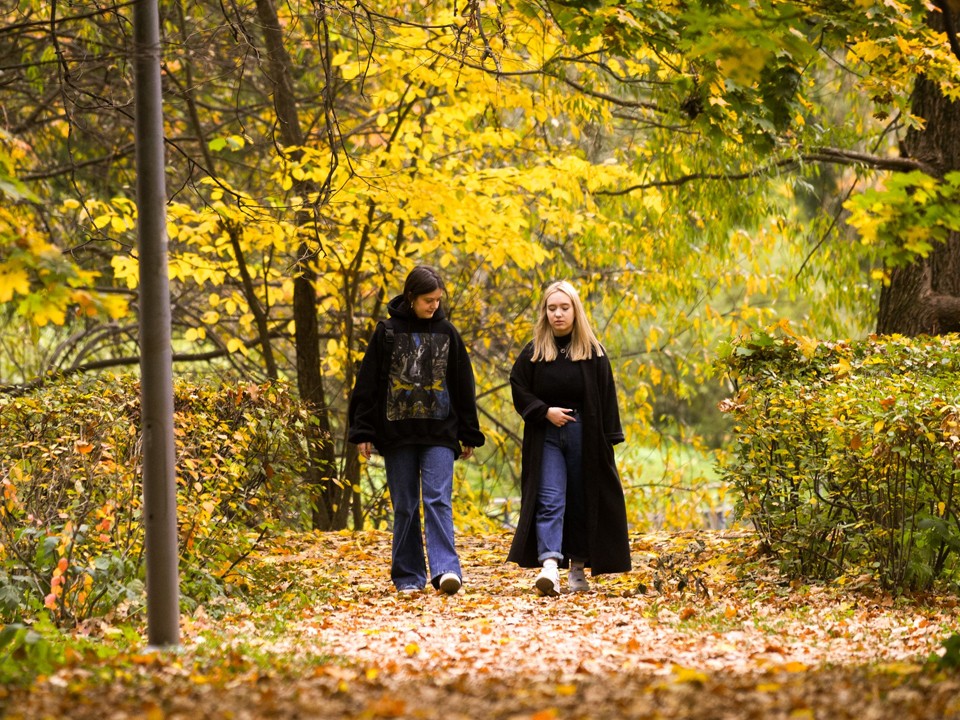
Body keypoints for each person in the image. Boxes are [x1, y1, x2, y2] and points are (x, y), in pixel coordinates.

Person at [348, 265, 485, 595]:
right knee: (406, 504)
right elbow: (367, 386)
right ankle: (408, 577)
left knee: (438, 499)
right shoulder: (387, 332)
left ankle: (445, 571)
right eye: (428, 300)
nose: (434, 306)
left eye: (438, 300)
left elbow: (462, 386)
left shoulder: (448, 333)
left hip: (440, 432)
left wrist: (468, 431)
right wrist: (363, 431)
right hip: (397, 434)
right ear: (411, 298)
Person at [507, 280, 632, 595]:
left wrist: (609, 439)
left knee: (581, 499)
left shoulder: (592, 352)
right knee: (550, 499)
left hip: (584, 437)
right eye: (552, 308)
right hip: (547, 435)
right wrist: (543, 410)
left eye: (564, 308)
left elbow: (607, 396)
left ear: (576, 310)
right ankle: (550, 566)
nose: (558, 314)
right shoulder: (535, 351)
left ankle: (577, 568)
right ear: (544, 312)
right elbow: (518, 385)